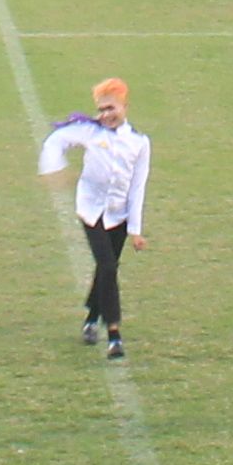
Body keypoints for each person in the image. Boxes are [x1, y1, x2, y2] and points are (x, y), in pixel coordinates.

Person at [36, 78, 153, 357]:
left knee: (106, 269)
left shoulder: (139, 143)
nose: (105, 115)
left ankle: (91, 319)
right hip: (91, 212)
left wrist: (135, 229)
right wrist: (54, 168)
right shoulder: (90, 132)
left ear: (125, 106)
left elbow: (138, 186)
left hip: (119, 216)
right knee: (108, 266)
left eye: (111, 108)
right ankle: (114, 334)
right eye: (101, 109)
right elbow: (56, 140)